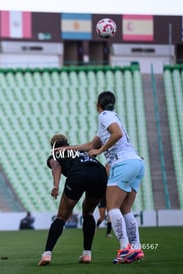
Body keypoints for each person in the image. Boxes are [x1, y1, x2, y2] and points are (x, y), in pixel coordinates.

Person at [64, 91, 145, 264]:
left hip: (122, 163)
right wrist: (67, 148)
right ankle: (136, 249)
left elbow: (117, 134)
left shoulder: (105, 116)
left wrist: (100, 151)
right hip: (136, 163)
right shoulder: (112, 117)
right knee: (126, 209)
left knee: (112, 207)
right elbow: (90, 145)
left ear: (98, 105)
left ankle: (124, 249)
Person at [38, 133, 107, 266]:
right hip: (99, 174)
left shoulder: (55, 154)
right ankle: (87, 254)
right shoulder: (80, 150)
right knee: (88, 213)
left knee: (61, 217)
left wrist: (56, 186)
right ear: (68, 144)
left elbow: (56, 166)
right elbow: (98, 146)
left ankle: (47, 254)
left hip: (78, 175)